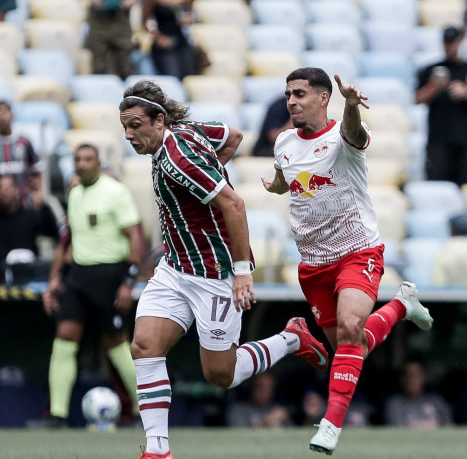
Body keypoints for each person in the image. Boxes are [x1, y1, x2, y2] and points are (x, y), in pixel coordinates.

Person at [119, 80, 328, 459]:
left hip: (212, 274)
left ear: (159, 119)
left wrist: (244, 272)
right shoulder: (189, 133)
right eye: (125, 128)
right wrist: (209, 181)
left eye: (136, 125)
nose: (130, 135)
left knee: (221, 374)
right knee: (144, 345)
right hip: (174, 267)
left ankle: (292, 338)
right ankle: (157, 450)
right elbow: (232, 135)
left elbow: (234, 205)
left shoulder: (179, 157)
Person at [260, 67, 434, 455]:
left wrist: (352, 106)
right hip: (312, 265)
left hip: (357, 252)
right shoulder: (285, 142)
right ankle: (401, 306)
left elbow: (355, 134)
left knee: (353, 327)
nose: (291, 101)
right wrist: (273, 185)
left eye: (300, 94)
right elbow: (284, 178)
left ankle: (330, 425)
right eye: (289, 94)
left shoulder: (344, 136)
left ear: (324, 98)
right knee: (349, 349)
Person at [41, 144, 144, 425]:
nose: (82, 164)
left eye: (88, 159)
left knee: (115, 343)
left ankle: (142, 409)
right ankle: (58, 414)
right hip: (78, 276)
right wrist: (55, 278)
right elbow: (68, 241)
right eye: (78, 159)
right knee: (64, 337)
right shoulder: (74, 194)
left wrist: (127, 282)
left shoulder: (115, 192)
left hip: (109, 275)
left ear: (98, 162)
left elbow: (136, 236)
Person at [416, 27, 467, 187]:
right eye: (447, 43)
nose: (450, 47)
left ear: (460, 42)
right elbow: (417, 99)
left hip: (464, 141)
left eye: (453, 43)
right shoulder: (431, 70)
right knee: (436, 188)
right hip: (437, 142)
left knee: (464, 187)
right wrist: (433, 87)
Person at [142, 0, 198, 80]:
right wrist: (158, 37)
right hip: (164, 45)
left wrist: (189, 18)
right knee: (173, 76)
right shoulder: (153, 1)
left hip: (181, 42)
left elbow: (191, 14)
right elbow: (145, 22)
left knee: (189, 74)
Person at [385, 360, 452, 427]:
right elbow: (397, 432)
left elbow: (449, 428)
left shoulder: (437, 402)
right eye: (407, 376)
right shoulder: (395, 404)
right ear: (402, 379)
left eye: (415, 375)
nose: (411, 380)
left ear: (423, 377)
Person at [85, 0, 136, 79]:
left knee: (125, 63)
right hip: (100, 17)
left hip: (121, 17)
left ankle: (129, 89)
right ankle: (99, 88)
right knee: (99, 64)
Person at [227, 373, 293, 428]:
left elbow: (293, 435)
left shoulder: (278, 410)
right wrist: (266, 422)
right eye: (261, 386)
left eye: (269, 388)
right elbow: (238, 435)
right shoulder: (238, 410)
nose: (265, 391)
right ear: (252, 387)